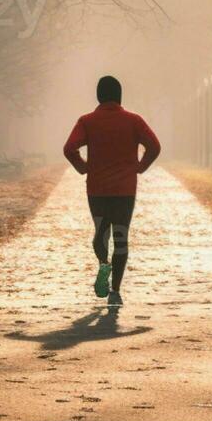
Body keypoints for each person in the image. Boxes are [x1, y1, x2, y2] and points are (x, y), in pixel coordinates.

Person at [62, 76, 161, 306]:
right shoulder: (134, 121)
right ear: (120, 96)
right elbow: (154, 146)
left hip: (97, 188)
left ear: (98, 96)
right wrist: (140, 167)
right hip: (125, 189)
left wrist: (83, 167)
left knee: (101, 230)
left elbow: (69, 148)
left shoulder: (87, 121)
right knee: (121, 236)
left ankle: (103, 263)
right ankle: (115, 289)